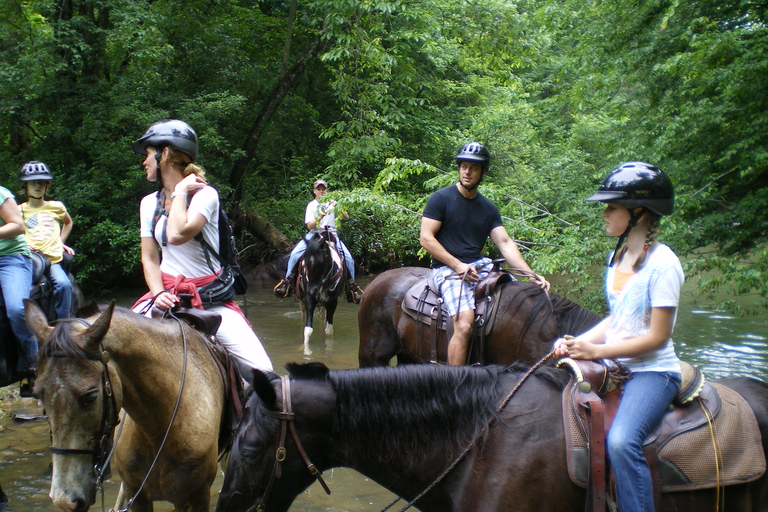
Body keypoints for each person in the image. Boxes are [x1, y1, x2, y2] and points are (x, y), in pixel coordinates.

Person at [552, 161, 683, 512]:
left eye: (611, 207)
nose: (605, 214)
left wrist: (596, 350)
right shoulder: (619, 255)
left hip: (653, 371)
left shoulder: (664, 264)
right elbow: (619, 317)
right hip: (616, 361)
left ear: (638, 212)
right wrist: (577, 342)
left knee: (623, 440)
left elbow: (657, 336)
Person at [131, 119, 272, 374]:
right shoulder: (147, 204)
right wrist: (157, 294)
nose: (144, 161)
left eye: (148, 154)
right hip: (165, 295)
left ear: (164, 154)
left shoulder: (206, 195)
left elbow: (176, 235)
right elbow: (150, 258)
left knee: (264, 374)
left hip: (210, 301)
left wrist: (181, 192)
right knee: (114, 353)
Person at [420, 141, 550, 366]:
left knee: (517, 301)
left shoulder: (488, 208)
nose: (467, 172)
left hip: (480, 266)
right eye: (464, 166)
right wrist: (458, 265)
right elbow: (426, 238)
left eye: (474, 167)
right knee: (464, 324)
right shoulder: (441, 199)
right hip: (447, 269)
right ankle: (454, 383)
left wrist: (530, 275)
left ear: (483, 172)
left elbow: (505, 243)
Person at [273, 179, 364, 303]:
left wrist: (338, 206)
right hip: (315, 233)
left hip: (331, 233)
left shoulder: (333, 203)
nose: (321, 191)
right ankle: (287, 282)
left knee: (348, 258)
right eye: (319, 189)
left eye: (323, 189)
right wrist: (320, 216)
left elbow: (346, 217)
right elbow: (309, 226)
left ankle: (352, 287)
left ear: (326, 191)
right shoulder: (312, 205)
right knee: (295, 254)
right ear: (314, 191)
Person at [18, 161, 74, 320]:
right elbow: (15, 230)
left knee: (63, 284)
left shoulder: (56, 206)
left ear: (47, 186)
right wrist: (23, 241)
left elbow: (68, 222)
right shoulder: (19, 209)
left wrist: (60, 241)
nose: (38, 186)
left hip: (51, 259)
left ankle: (64, 323)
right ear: (25, 187)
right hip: (31, 259)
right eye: (33, 182)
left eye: (42, 182)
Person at [0, 184, 38, 383]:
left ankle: (33, 362)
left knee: (16, 308)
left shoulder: (1, 194)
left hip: (10, 257)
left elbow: (17, 225)